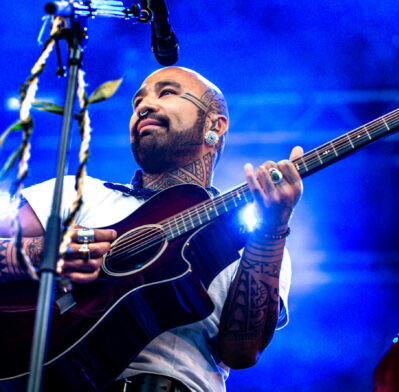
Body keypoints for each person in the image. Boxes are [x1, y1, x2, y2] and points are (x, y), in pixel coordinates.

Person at [0, 67, 303, 392]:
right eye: (137, 102)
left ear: (215, 125)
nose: (143, 106)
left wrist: (272, 230)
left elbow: (242, 351)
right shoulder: (77, 191)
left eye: (167, 92)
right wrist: (36, 252)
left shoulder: (258, 235)